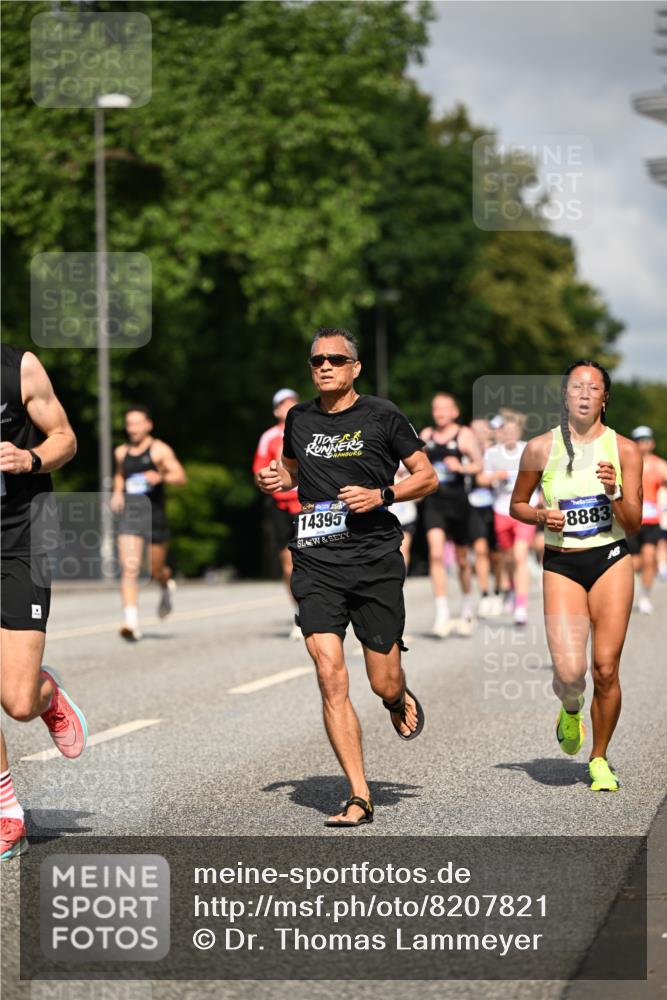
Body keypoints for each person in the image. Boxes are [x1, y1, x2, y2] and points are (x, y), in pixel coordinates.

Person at [257, 327, 437, 827]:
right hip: (315, 556)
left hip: (374, 555)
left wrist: (383, 496)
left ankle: (396, 694)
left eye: (336, 359)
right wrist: (278, 478)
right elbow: (291, 471)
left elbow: (427, 476)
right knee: (329, 673)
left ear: (355, 368)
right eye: (316, 360)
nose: (325, 366)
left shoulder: (383, 414)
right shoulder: (300, 417)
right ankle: (358, 795)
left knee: (382, 681)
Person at [510, 360, 642, 792]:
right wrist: (541, 515)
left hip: (611, 558)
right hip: (562, 562)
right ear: (565, 396)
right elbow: (517, 505)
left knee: (605, 668)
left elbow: (635, 523)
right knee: (571, 674)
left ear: (605, 397)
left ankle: (599, 757)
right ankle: (570, 707)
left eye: (594, 387)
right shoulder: (538, 448)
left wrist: (615, 492)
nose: (584, 393)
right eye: (576, 387)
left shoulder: (623, 450)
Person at [1, 346, 88, 860]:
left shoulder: (19, 368)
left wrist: (29, 459)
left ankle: (46, 694)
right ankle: (8, 814)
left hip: (22, 540)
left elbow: (66, 439)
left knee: (15, 701)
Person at [111, 405, 187, 641]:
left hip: (155, 516)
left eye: (137, 423)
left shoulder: (159, 450)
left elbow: (180, 477)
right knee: (130, 567)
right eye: (129, 424)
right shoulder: (121, 452)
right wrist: (117, 493)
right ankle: (131, 622)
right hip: (131, 516)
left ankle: (165, 583)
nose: (132, 428)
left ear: (148, 425)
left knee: (155, 570)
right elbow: (120, 474)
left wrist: (160, 476)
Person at [420, 394, 482, 637]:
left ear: (455, 412)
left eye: (445, 408)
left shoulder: (464, 434)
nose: (440, 412)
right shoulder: (426, 435)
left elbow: (479, 464)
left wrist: (462, 468)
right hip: (434, 503)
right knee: (436, 554)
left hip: (458, 503)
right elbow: (415, 463)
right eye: (436, 408)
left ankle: (467, 604)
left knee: (462, 559)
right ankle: (442, 612)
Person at [478, 412, 537, 626]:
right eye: (506, 431)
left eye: (514, 431)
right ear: (501, 433)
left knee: (520, 555)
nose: (510, 435)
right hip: (501, 510)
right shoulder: (492, 453)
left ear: (519, 432)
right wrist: (496, 476)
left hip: (524, 509)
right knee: (509, 557)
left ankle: (521, 606)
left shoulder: (528, 449)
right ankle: (512, 589)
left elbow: (542, 475)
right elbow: (482, 478)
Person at [253, 389, 302, 639]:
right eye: (282, 404)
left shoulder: (309, 429)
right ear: (275, 411)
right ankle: (299, 612)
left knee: (317, 558)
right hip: (282, 506)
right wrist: (268, 479)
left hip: (310, 503)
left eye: (292, 402)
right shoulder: (269, 437)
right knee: (288, 563)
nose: (288, 406)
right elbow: (258, 472)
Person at [625, 426, 667, 615]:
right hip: (632, 520)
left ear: (652, 442)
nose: (643, 443)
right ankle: (626, 596)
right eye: (639, 439)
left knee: (649, 558)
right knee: (634, 563)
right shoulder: (627, 463)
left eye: (647, 439)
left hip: (651, 520)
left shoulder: (660, 465)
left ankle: (645, 598)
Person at [468, 418, 501, 617]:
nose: (478, 433)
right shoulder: (469, 453)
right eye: (475, 430)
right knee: (479, 550)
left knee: (496, 555)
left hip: (495, 506)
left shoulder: (497, 452)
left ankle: (499, 590)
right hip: (474, 506)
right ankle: (485, 594)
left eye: (482, 430)